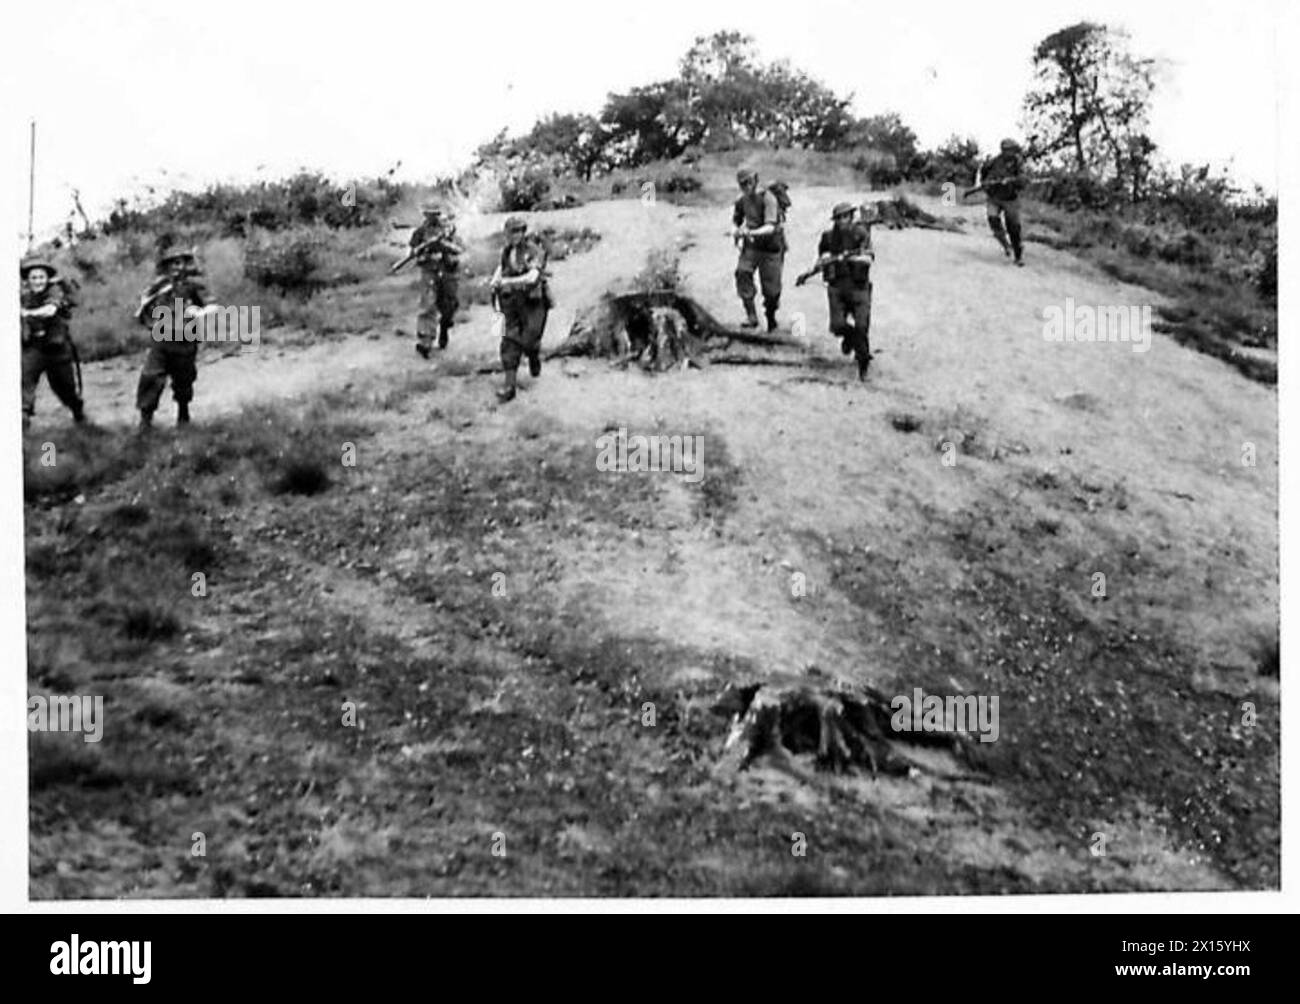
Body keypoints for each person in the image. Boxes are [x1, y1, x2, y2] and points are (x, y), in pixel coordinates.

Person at [134, 247, 215, 430]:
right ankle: (145, 421)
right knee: (151, 377)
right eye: (173, 263)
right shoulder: (157, 288)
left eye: (181, 262)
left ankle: (183, 414)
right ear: (166, 266)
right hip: (161, 341)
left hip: (185, 340)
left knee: (184, 379)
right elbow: (143, 310)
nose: (177, 267)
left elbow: (212, 305)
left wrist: (199, 312)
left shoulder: (194, 286)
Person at [804, 203, 876, 380]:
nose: (842, 221)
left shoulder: (861, 233)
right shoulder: (828, 237)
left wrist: (851, 257)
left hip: (859, 287)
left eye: (846, 217)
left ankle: (863, 364)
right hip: (837, 287)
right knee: (837, 326)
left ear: (851, 217)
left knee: (861, 327)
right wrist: (824, 261)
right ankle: (850, 339)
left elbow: (868, 258)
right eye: (839, 218)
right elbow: (822, 258)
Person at [488, 217, 550, 403]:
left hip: (533, 302)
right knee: (509, 340)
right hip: (511, 302)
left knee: (530, 338)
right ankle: (509, 385)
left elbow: (532, 277)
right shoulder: (507, 251)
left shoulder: (534, 251)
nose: (514, 236)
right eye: (511, 232)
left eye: (518, 231)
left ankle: (533, 355)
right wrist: (495, 280)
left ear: (524, 232)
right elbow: (501, 267)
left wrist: (508, 282)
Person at [20, 255, 85, 428]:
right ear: (27, 280)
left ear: (47, 278)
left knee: (64, 388)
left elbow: (50, 310)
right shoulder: (23, 296)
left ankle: (77, 410)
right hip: (33, 348)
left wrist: (26, 313)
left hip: (56, 349)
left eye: (41, 277)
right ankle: (23, 418)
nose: (38, 281)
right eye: (33, 277)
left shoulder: (55, 291)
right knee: (24, 381)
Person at [731, 168, 785, 331]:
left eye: (749, 182)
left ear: (755, 180)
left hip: (771, 248)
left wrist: (750, 232)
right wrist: (736, 230)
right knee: (742, 273)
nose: (747, 186)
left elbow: (770, 227)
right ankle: (751, 316)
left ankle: (771, 316)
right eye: (743, 184)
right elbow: (736, 220)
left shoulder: (768, 199)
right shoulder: (742, 200)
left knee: (772, 291)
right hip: (752, 246)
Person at [411, 203, 463, 357]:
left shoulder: (449, 230)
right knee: (428, 304)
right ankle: (425, 341)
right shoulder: (419, 233)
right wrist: (423, 253)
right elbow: (415, 255)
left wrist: (443, 245)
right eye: (429, 214)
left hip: (448, 272)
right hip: (429, 272)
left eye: (435, 214)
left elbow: (459, 249)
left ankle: (445, 327)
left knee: (449, 305)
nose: (433, 218)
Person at [976, 138, 1028, 266]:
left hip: (1011, 199)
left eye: (1014, 151)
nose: (1013, 153)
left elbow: (1023, 180)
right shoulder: (993, 162)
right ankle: (1005, 245)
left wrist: (1013, 180)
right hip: (994, 197)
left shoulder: (1018, 163)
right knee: (993, 219)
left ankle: (1018, 255)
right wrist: (987, 183)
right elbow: (983, 175)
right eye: (1011, 151)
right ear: (1004, 151)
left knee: (1014, 227)